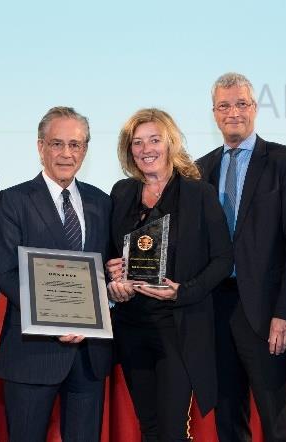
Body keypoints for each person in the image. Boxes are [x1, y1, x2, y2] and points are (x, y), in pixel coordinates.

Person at [196, 72, 286, 442]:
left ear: (255, 108)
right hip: (215, 312)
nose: (233, 112)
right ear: (214, 113)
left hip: (266, 314)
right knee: (228, 422)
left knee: (278, 424)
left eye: (241, 103)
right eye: (224, 105)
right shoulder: (200, 170)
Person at [106, 108, 233, 441]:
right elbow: (110, 256)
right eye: (137, 142)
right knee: (149, 427)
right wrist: (113, 280)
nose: (146, 149)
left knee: (172, 430)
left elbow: (223, 259)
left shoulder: (199, 193)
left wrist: (183, 291)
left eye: (154, 140)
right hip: (131, 326)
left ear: (170, 143)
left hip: (177, 328)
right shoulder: (121, 192)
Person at [0, 106, 112, 442]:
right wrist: (56, 320)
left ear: (85, 150)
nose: (66, 153)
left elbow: (105, 269)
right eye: (57, 143)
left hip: (88, 355)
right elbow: (6, 272)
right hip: (32, 352)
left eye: (75, 145)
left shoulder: (102, 202)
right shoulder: (13, 200)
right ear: (40, 147)